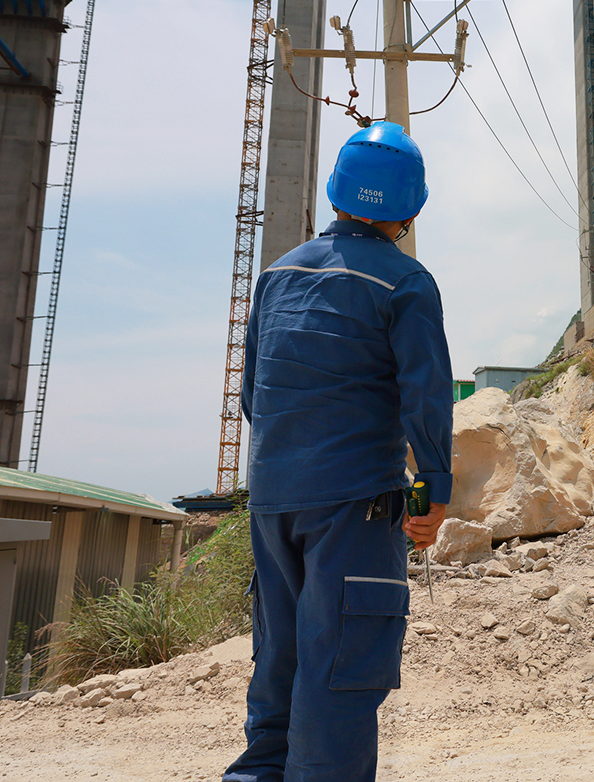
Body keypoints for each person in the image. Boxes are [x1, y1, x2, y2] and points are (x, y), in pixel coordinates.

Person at [224, 122, 453, 782]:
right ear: (410, 210)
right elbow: (425, 401)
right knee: (339, 689)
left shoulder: (275, 276)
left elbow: (252, 397)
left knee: (280, 678)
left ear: (335, 194)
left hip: (273, 506)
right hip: (355, 510)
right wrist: (432, 494)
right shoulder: (407, 283)